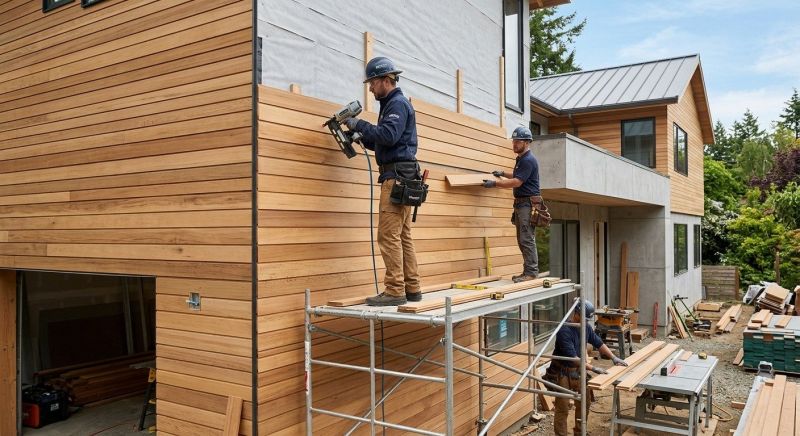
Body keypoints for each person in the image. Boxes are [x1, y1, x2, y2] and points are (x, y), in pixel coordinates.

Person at [345, 57, 421, 306]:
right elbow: (386, 140)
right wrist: (361, 136)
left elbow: (388, 135)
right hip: (405, 176)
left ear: (386, 80)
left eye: (372, 83)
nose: (370, 88)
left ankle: (394, 290)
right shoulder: (391, 105)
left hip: (396, 178)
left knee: (388, 236)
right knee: (403, 236)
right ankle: (412, 288)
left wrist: (360, 124)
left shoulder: (396, 104)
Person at [546, 301, 628, 436]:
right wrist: (593, 368)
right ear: (576, 313)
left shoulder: (585, 327)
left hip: (578, 371)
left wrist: (613, 357)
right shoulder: (564, 330)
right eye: (584, 318)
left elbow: (598, 342)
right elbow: (573, 358)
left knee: (585, 403)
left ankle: (579, 432)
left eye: (587, 319)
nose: (586, 321)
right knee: (563, 407)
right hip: (563, 372)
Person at [482, 126, 541, 283]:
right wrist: (503, 174)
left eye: (518, 141)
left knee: (527, 239)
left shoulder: (528, 160)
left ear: (527, 142)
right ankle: (527, 271)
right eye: (514, 141)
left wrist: (494, 183)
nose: (514, 144)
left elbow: (517, 181)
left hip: (527, 205)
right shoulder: (522, 159)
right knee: (522, 239)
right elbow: (517, 174)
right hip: (522, 205)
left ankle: (531, 272)